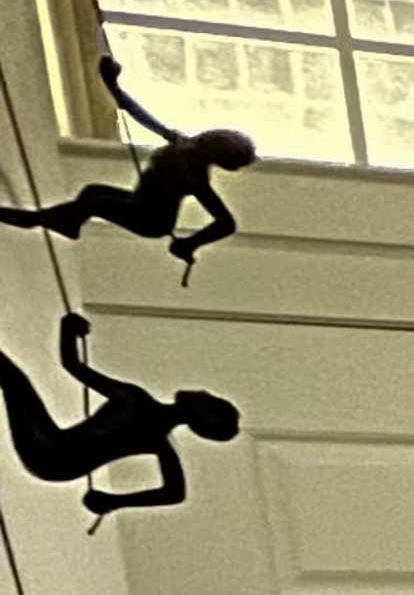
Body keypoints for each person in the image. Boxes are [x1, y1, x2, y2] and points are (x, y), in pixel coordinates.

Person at [0, 56, 258, 273]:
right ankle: (67, 224)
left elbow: (227, 223)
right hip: (138, 202)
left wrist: (191, 243)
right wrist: (113, 85)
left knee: (93, 202)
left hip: (149, 220)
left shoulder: (195, 177)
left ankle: (33, 219)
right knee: (92, 192)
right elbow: (138, 113)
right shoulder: (183, 145)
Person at [1, 314, 243, 520]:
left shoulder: (135, 400)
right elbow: (174, 494)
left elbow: (72, 365)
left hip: (48, 450)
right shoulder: (158, 441)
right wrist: (113, 501)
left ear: (200, 411)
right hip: (59, 468)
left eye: (208, 398)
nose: (202, 391)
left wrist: (69, 327)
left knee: (10, 376)